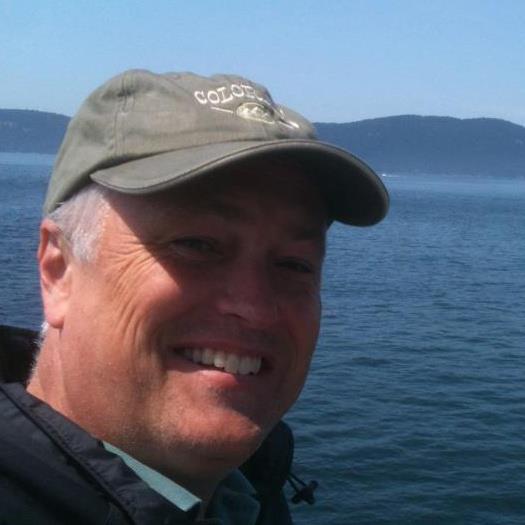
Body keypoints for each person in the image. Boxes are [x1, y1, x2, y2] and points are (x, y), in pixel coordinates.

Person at [0, 69, 388, 524]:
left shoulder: (250, 493)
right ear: (59, 270)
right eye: (196, 245)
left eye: (294, 264)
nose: (255, 308)